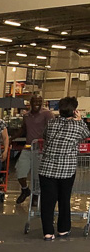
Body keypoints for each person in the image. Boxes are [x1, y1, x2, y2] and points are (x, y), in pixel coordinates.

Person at [39, 96, 90, 240]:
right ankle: (63, 229)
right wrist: (79, 120)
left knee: (48, 201)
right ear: (74, 111)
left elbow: (45, 137)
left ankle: (48, 232)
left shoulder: (51, 123)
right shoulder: (77, 126)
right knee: (64, 199)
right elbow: (87, 134)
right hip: (66, 170)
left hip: (46, 169)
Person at [14, 94, 52, 204]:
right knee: (20, 170)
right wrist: (11, 138)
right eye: (35, 101)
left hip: (40, 149)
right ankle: (25, 190)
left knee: (36, 174)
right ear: (30, 103)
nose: (37, 104)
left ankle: (36, 195)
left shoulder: (47, 114)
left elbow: (52, 128)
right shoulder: (26, 116)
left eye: (39, 101)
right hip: (28, 147)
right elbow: (23, 129)